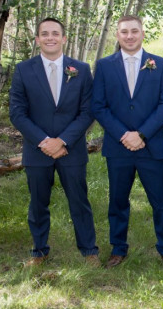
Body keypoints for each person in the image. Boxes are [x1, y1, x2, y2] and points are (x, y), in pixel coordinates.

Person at [9, 17, 99, 267]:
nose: (50, 37)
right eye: (44, 34)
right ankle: (39, 251)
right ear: (37, 39)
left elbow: (88, 111)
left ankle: (89, 250)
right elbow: (17, 112)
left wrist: (63, 141)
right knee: (38, 203)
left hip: (71, 150)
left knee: (79, 201)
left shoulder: (80, 69)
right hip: (37, 150)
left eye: (55, 33)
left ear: (64, 38)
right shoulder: (23, 70)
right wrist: (44, 141)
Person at [92, 15, 163, 268]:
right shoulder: (105, 66)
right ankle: (118, 248)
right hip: (118, 147)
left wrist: (141, 134)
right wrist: (123, 135)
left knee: (160, 200)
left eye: (134, 31)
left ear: (142, 33)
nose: (129, 36)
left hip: (151, 145)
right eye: (124, 32)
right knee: (118, 201)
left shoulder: (159, 64)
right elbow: (99, 106)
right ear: (117, 35)